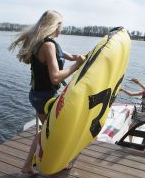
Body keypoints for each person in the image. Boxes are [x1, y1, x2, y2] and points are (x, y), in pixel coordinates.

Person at [8, 10, 86, 174]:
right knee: (51, 131)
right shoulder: (48, 46)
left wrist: (83, 57)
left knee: (48, 130)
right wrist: (76, 67)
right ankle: (32, 164)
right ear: (55, 25)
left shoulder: (43, 43)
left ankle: (30, 164)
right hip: (45, 98)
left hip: (37, 95)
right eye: (61, 25)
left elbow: (70, 56)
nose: (62, 29)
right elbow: (56, 78)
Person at [120, 77, 145, 151]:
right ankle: (130, 144)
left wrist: (138, 83)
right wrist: (122, 89)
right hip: (143, 115)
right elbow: (131, 94)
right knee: (131, 126)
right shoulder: (144, 91)